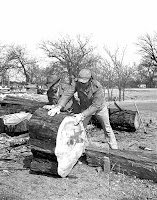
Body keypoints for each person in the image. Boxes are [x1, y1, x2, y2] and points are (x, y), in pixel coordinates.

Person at [46, 68, 118, 150]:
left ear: (90, 79)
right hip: (85, 107)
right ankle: (78, 149)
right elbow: (68, 94)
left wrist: (82, 115)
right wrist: (59, 106)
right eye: (81, 81)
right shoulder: (76, 83)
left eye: (84, 82)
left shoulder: (97, 86)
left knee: (107, 128)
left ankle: (114, 149)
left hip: (99, 109)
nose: (82, 84)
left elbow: (96, 105)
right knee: (79, 128)